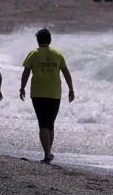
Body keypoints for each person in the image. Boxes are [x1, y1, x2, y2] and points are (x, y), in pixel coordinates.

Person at [20, 28, 75, 163]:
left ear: (38, 40)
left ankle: (47, 154)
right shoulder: (57, 53)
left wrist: (22, 88)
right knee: (50, 124)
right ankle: (48, 153)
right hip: (54, 93)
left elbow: (26, 72)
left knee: (43, 124)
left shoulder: (33, 54)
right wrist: (71, 89)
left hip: (38, 93)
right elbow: (66, 72)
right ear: (49, 40)